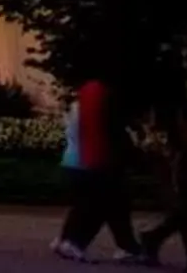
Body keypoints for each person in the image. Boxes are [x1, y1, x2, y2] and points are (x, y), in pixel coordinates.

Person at [136, 73, 187, 272]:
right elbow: (175, 118)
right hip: (178, 148)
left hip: (175, 147)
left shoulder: (166, 87)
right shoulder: (171, 93)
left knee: (183, 208)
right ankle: (171, 246)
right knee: (185, 206)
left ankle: (182, 251)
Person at [53, 74, 139, 263]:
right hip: (91, 162)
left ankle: (125, 245)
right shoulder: (100, 104)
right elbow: (112, 132)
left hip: (78, 161)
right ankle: (75, 242)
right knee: (102, 205)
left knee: (101, 205)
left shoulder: (81, 105)